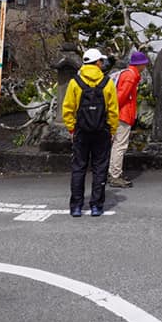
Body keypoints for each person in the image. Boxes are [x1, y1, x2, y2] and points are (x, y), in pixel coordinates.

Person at [62, 48, 119, 217]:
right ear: (98, 63)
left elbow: (67, 109)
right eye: (101, 61)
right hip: (102, 131)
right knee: (99, 168)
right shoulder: (107, 83)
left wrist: (72, 128)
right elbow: (113, 111)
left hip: (81, 131)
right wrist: (112, 130)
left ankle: (76, 206)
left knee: (79, 168)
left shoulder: (75, 82)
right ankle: (96, 206)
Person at [108, 50, 150, 188]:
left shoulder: (127, 74)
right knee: (120, 145)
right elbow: (120, 98)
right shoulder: (131, 77)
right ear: (140, 64)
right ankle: (115, 175)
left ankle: (113, 173)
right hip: (123, 115)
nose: (145, 66)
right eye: (144, 64)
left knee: (116, 145)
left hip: (119, 114)